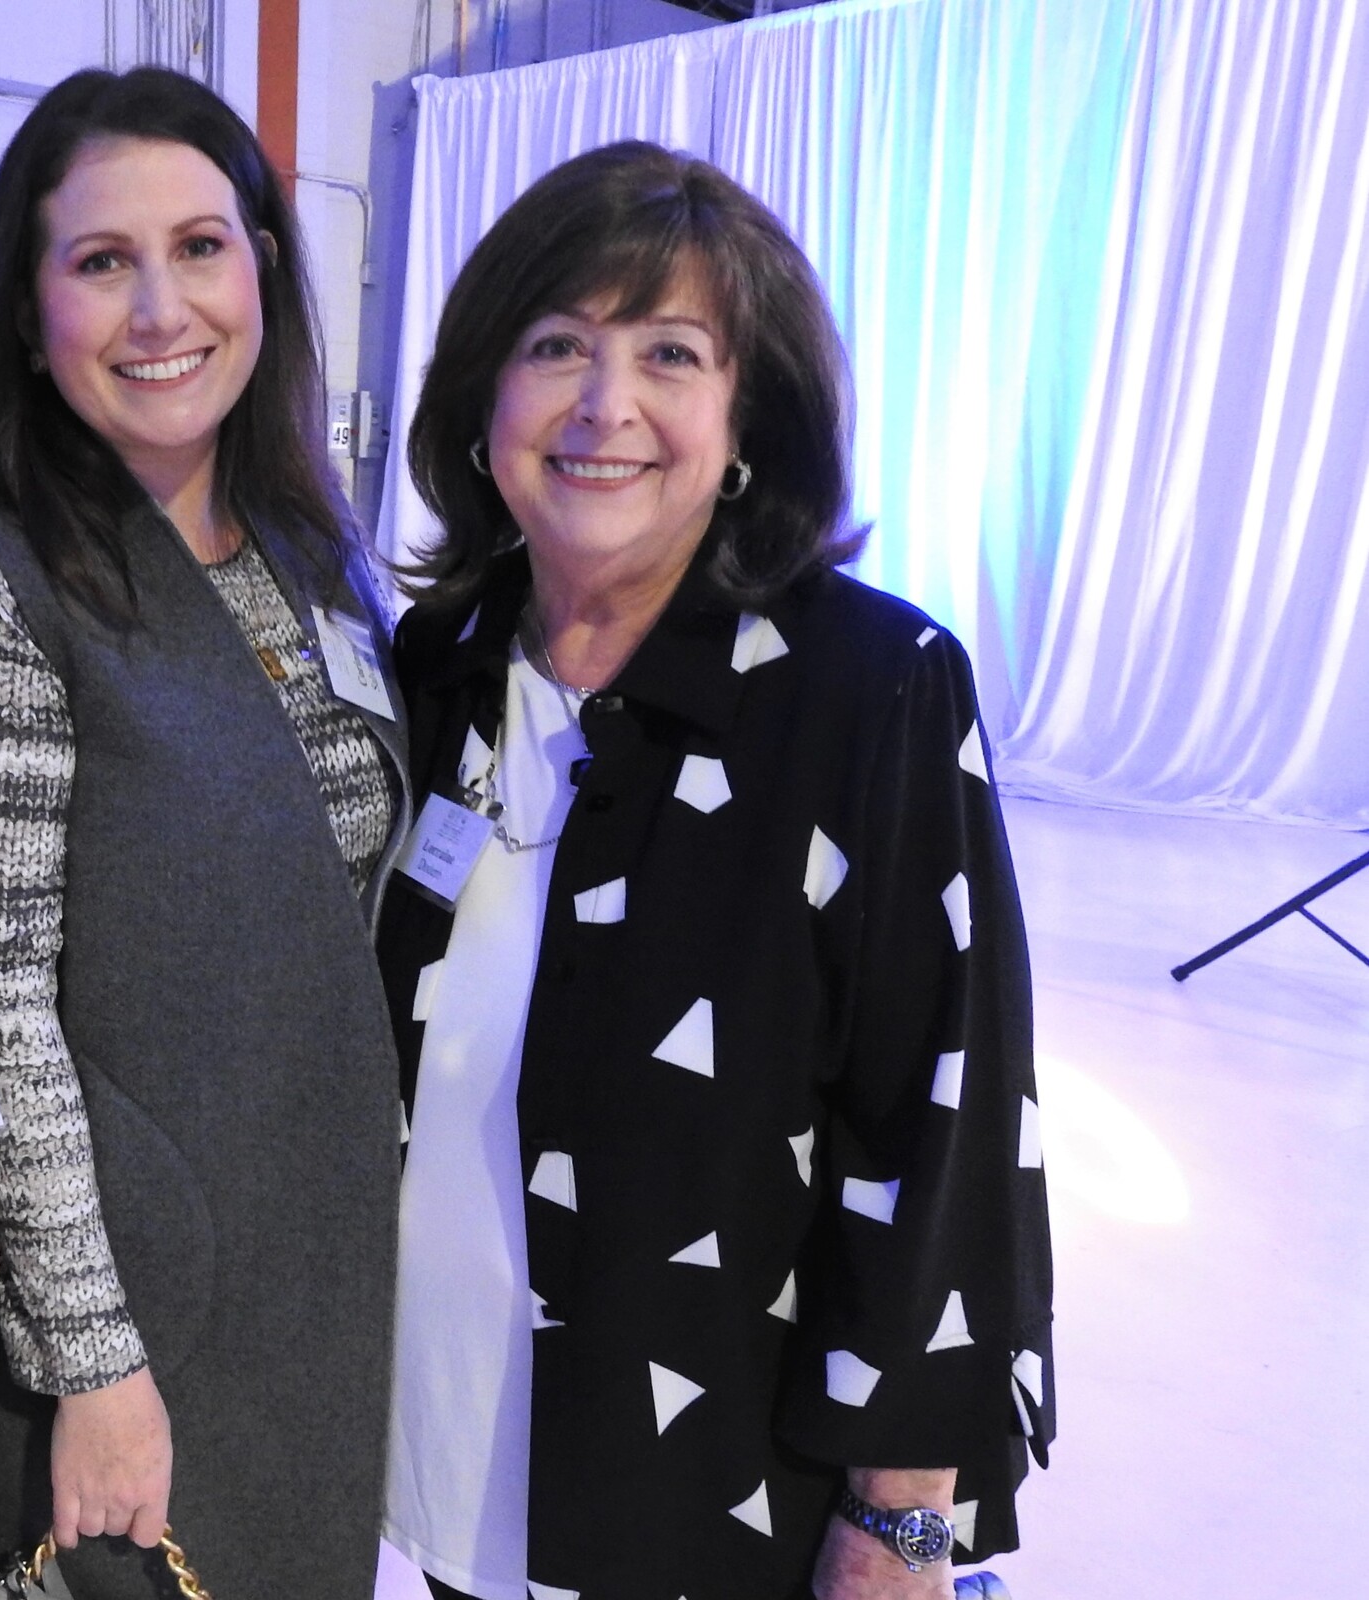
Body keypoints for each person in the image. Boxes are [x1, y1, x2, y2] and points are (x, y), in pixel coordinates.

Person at [375, 141, 1055, 1600]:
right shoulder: (438, 665)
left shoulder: (873, 689)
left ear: (747, 417)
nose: (604, 404)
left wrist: (905, 1524)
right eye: (558, 346)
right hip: (446, 1447)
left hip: (714, 1500)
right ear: (486, 399)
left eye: (670, 354)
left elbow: (943, 1121)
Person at [0, 67, 408, 1599]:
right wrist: (93, 1364)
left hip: (304, 1275)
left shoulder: (302, 552)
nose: (162, 308)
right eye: (103, 262)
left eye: (200, 248)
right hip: (123, 1315)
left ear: (263, 270)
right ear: (28, 314)